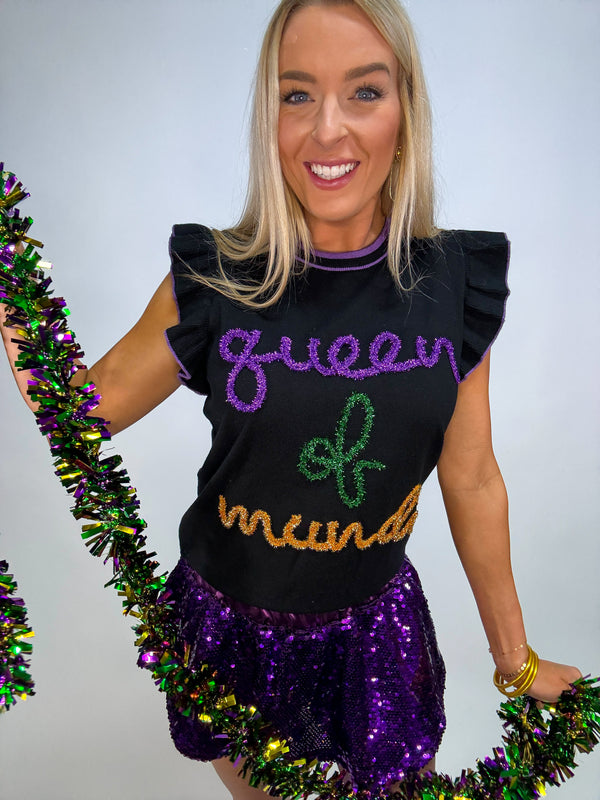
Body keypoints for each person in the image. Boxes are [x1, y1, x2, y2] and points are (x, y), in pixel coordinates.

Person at [0, 1, 585, 798]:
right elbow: (77, 416)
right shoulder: (215, 281)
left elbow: (474, 479)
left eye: (365, 92)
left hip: (375, 639)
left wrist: (514, 662)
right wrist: (10, 280)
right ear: (268, 119)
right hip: (231, 639)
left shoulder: (451, 286)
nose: (327, 130)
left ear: (406, 113)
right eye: (297, 94)